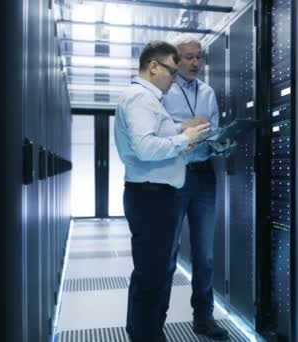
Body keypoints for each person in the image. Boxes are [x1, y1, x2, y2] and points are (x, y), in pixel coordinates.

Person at [114, 40, 210, 342]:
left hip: (154, 195)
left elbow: (154, 139)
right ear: (153, 67)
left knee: (151, 275)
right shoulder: (141, 98)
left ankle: (147, 334)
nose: (175, 77)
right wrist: (184, 139)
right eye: (171, 69)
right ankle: (146, 336)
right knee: (151, 277)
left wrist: (182, 134)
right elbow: (144, 148)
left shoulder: (147, 99)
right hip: (151, 196)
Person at [162, 33, 235, 340]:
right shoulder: (163, 90)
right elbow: (157, 131)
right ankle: (155, 322)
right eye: (188, 57)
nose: (194, 62)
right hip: (174, 174)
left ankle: (203, 319)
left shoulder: (207, 92)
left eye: (198, 57)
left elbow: (215, 131)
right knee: (167, 252)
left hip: (204, 175)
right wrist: (183, 131)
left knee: (204, 255)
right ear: (176, 60)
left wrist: (223, 143)